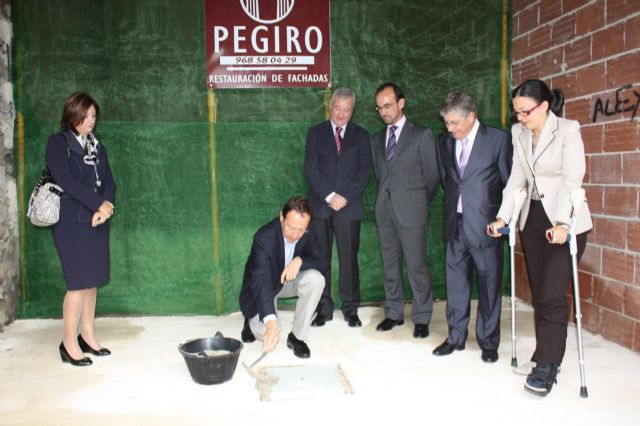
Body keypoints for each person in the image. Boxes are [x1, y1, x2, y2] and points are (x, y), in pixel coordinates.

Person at [488, 79, 592, 396]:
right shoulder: (519, 134)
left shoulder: (568, 130)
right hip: (533, 220)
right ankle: (545, 350)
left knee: (551, 294)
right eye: (517, 112)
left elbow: (573, 179)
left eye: (525, 111)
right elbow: (517, 179)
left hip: (565, 219)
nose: (520, 117)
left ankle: (548, 365)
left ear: (545, 106)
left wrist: (563, 223)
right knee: (540, 292)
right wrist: (503, 216)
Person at [434, 92, 512, 363]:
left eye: (454, 123)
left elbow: (508, 184)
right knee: (455, 283)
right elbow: (449, 180)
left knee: (489, 284)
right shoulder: (443, 142)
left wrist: (502, 220)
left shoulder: (498, 140)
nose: (449, 128)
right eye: (446, 123)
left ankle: (488, 342)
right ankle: (456, 337)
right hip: (454, 225)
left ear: (471, 116)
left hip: (486, 227)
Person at [46, 92, 116, 366]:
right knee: (77, 283)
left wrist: (107, 205)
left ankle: (87, 335)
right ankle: (69, 343)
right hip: (70, 221)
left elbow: (109, 179)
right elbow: (65, 180)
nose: (90, 121)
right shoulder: (58, 142)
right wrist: (99, 205)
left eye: (93, 116)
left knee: (92, 280)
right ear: (72, 115)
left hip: (96, 220)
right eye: (85, 116)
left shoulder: (98, 146)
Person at [371, 82, 439, 338]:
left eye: (387, 105)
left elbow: (432, 177)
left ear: (402, 102)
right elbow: (381, 175)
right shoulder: (376, 139)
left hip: (412, 212)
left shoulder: (421, 135)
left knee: (417, 265)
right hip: (384, 212)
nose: (383, 112)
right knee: (390, 264)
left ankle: (422, 317)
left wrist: (416, 201)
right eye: (379, 108)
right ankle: (393, 313)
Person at [304, 87, 372, 328]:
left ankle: (351, 308)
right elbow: (310, 169)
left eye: (347, 110)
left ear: (352, 110)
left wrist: (344, 196)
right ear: (330, 107)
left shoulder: (362, 135)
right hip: (321, 207)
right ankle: (323, 308)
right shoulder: (315, 133)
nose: (342, 114)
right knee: (321, 260)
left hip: (349, 207)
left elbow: (364, 171)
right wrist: (330, 195)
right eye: (337, 109)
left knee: (349, 260)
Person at [239, 196, 327, 358]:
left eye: (301, 229)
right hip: (265, 287)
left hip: (288, 282)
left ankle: (297, 337)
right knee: (268, 331)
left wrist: (299, 261)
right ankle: (250, 320)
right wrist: (271, 323)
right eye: (291, 228)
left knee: (316, 280)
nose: (295, 234)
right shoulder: (264, 238)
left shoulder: (308, 230)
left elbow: (322, 262)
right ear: (281, 217)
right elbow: (261, 281)